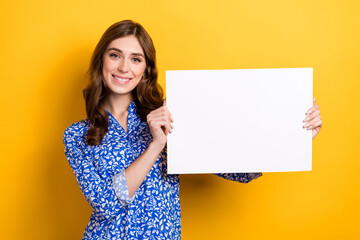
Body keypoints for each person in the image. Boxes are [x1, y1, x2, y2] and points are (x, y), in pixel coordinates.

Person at [63, 20, 323, 240]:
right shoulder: (77, 135)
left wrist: (294, 137)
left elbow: (238, 171)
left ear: (145, 70)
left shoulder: (172, 117)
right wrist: (156, 145)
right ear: (101, 61)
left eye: (136, 59)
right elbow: (106, 204)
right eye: (115, 55)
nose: (124, 67)